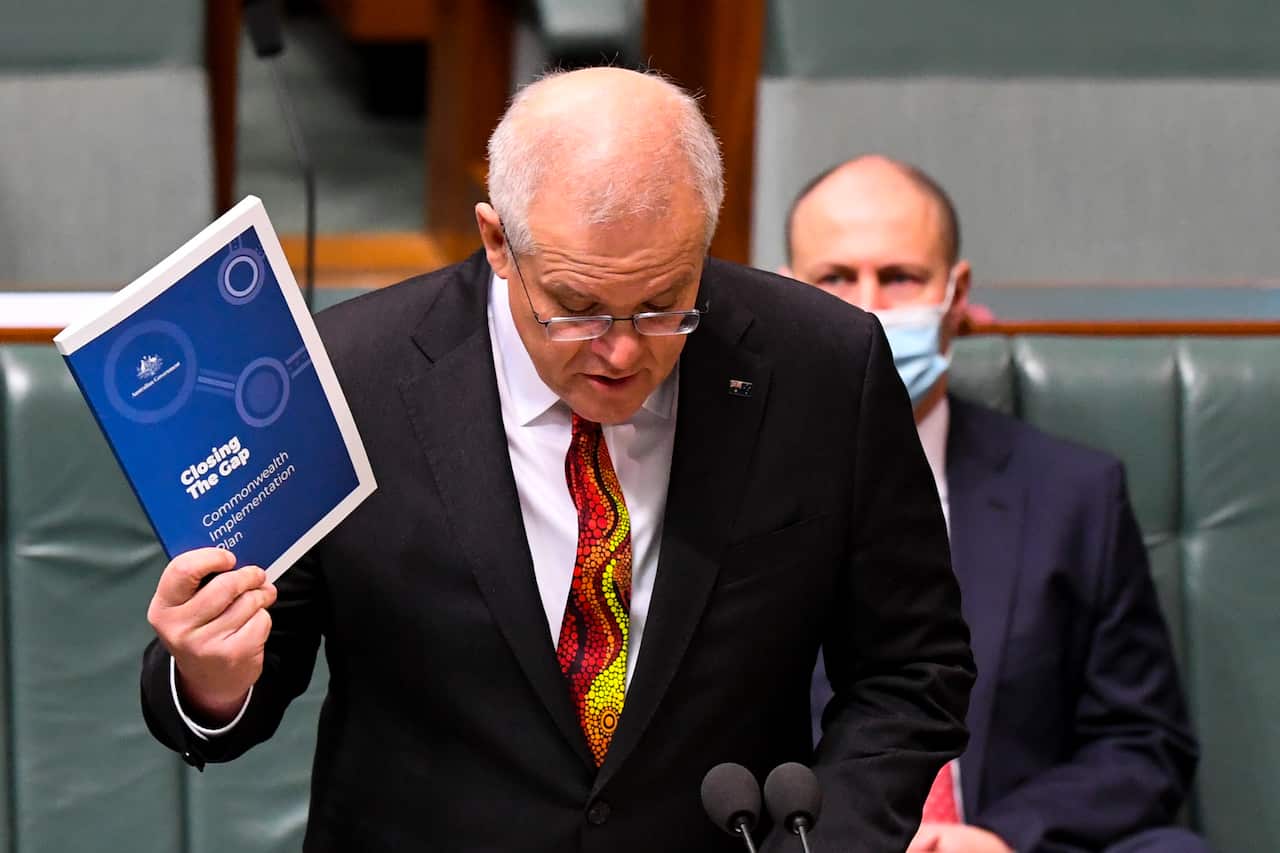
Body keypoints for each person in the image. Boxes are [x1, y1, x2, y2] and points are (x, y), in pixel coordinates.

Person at [139, 71, 975, 852]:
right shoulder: (344, 376)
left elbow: (912, 669)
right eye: (576, 308)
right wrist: (210, 677)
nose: (620, 352)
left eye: (662, 306)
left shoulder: (824, 366)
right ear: (499, 241)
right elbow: (238, 677)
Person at [785, 155, 1210, 853]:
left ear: (956, 294)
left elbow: (1143, 744)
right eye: (834, 278)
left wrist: (999, 838)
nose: (867, 308)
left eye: (900, 277)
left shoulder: (1074, 494)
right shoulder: (733, 487)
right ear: (787, 292)